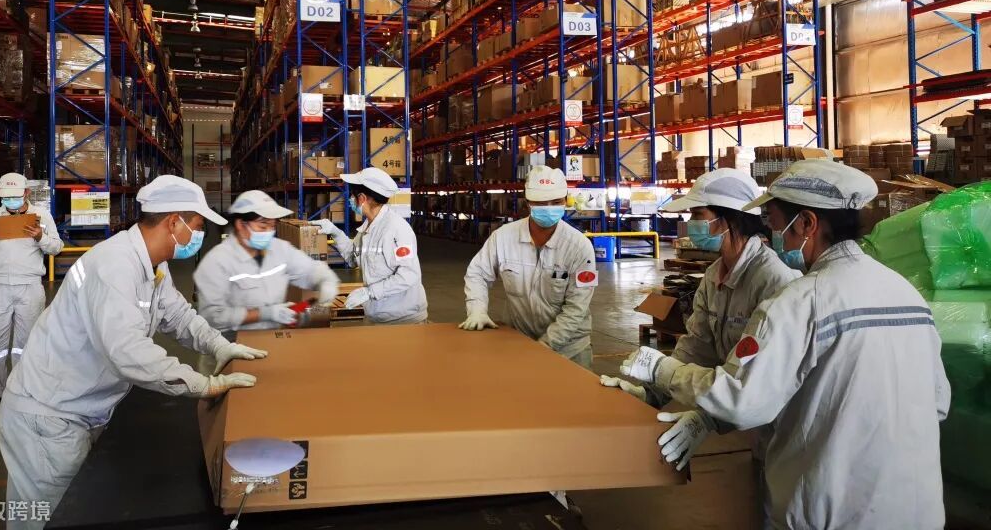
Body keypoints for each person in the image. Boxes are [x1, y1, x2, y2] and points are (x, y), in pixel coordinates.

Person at [621, 160, 951, 529]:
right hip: (916, 509)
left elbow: (741, 401)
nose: (774, 235)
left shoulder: (800, 301)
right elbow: (938, 402)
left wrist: (662, 370)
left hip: (834, 512)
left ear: (808, 223)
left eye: (778, 224)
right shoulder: (907, 293)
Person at [0, 176, 267, 529]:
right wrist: (202, 384)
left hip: (79, 408)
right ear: (174, 222)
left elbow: (177, 315)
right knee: (51, 520)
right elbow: (127, 351)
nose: (199, 236)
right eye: (198, 226)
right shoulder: (115, 265)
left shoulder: (153, 264)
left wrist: (219, 345)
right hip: (49, 416)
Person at [600, 168, 801, 471]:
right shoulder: (713, 275)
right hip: (752, 427)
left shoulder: (773, 281)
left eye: (698, 214)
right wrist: (652, 391)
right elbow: (697, 346)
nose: (691, 223)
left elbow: (764, 380)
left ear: (730, 219)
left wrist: (707, 417)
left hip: (784, 422)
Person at [459, 165, 598, 368]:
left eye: (556, 202)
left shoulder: (579, 247)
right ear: (528, 203)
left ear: (565, 200)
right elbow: (478, 273)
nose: (548, 208)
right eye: (541, 203)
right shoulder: (503, 237)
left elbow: (576, 308)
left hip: (569, 351)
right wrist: (477, 310)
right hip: (518, 343)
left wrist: (545, 346)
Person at [194, 190, 339, 372]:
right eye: (263, 226)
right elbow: (212, 316)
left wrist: (325, 281)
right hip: (226, 351)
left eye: (272, 226)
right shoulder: (217, 261)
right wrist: (265, 313)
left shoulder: (279, 250)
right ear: (240, 224)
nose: (269, 232)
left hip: (268, 344)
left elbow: (310, 270)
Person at [0, 173, 63, 414]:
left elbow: (56, 247)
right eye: (6, 197)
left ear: (26, 193)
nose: (11, 201)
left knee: (27, 342)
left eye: (15, 196)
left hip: (29, 285)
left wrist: (40, 236)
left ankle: (23, 389)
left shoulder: (41, 217)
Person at [315, 167, 427, 323]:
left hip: (402, 319)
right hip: (377, 314)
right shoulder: (368, 227)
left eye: (352, 196)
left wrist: (369, 292)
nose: (350, 200)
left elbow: (409, 275)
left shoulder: (396, 229)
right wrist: (335, 232)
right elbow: (352, 256)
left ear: (362, 198)